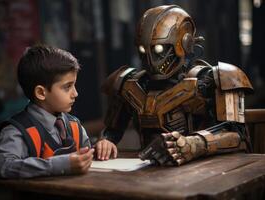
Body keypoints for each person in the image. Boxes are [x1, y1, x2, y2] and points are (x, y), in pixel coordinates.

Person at [101, 5, 253, 166]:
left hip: (205, 168)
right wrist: (106, 142)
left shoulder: (217, 79)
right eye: (144, 51)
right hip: (150, 171)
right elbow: (111, 131)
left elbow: (237, 136)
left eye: (160, 50)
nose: (152, 60)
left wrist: (193, 144)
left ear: (183, 44)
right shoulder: (129, 83)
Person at [0, 45, 115, 178]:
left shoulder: (74, 125)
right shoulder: (18, 130)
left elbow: (86, 156)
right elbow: (0, 165)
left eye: (74, 85)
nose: (75, 93)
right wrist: (59, 165)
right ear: (41, 92)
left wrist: (100, 149)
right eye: (67, 87)